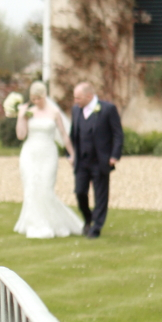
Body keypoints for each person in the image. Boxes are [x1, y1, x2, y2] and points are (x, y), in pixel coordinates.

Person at [14, 81, 83, 239]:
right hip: (30, 154)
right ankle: (34, 223)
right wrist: (20, 116)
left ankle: (53, 222)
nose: (36, 101)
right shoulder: (29, 113)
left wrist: (72, 154)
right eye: (33, 99)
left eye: (38, 98)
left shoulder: (54, 113)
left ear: (44, 96)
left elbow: (64, 135)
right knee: (31, 187)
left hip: (48, 154)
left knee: (46, 188)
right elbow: (21, 135)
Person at [71, 80, 124, 239]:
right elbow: (74, 134)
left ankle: (96, 227)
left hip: (101, 160)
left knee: (100, 195)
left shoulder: (108, 109)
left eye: (78, 98)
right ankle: (88, 218)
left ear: (89, 96)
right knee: (80, 192)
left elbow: (117, 134)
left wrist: (114, 155)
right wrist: (70, 154)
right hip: (82, 161)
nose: (75, 101)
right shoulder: (76, 110)